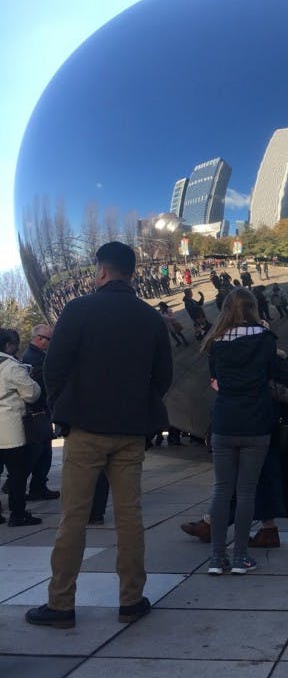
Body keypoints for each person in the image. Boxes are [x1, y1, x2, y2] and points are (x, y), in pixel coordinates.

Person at [26, 241, 173, 629]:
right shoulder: (150, 319)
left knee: (73, 517)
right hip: (130, 432)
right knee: (130, 516)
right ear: (132, 272)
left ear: (102, 271)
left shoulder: (78, 310)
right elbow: (163, 377)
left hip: (85, 430)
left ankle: (61, 604)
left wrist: (65, 410)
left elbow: (53, 368)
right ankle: (131, 599)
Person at [203, 287, 278, 575]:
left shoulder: (216, 342)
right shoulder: (265, 338)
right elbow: (273, 372)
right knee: (246, 491)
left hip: (224, 420)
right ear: (254, 308)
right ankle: (240, 557)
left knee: (222, 490)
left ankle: (216, 558)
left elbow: (215, 380)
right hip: (256, 421)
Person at [0, 328, 42, 526]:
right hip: (9, 428)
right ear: (9, 345)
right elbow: (31, 394)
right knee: (17, 473)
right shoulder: (11, 366)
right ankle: (17, 514)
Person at [21, 323, 60, 501]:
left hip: (39, 411)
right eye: (49, 339)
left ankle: (36, 485)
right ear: (39, 339)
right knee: (39, 452)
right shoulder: (36, 359)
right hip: (38, 412)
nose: (50, 343)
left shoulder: (34, 356)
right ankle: (31, 486)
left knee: (42, 451)